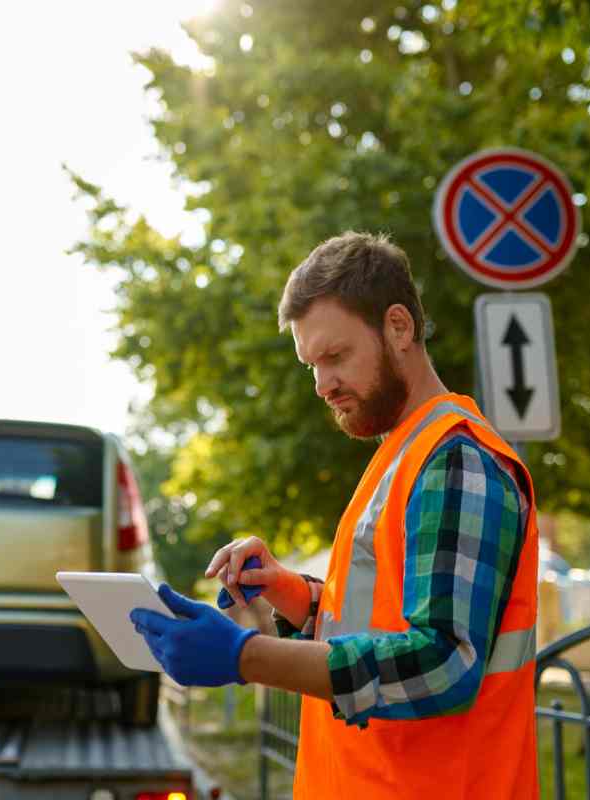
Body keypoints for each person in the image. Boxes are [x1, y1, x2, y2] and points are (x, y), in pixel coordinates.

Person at [130, 231, 540, 797]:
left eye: (335, 356)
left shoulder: (458, 459)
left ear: (399, 327)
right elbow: (384, 620)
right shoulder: (403, 451)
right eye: (310, 365)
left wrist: (246, 657)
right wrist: (292, 592)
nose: (322, 385)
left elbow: (446, 661)